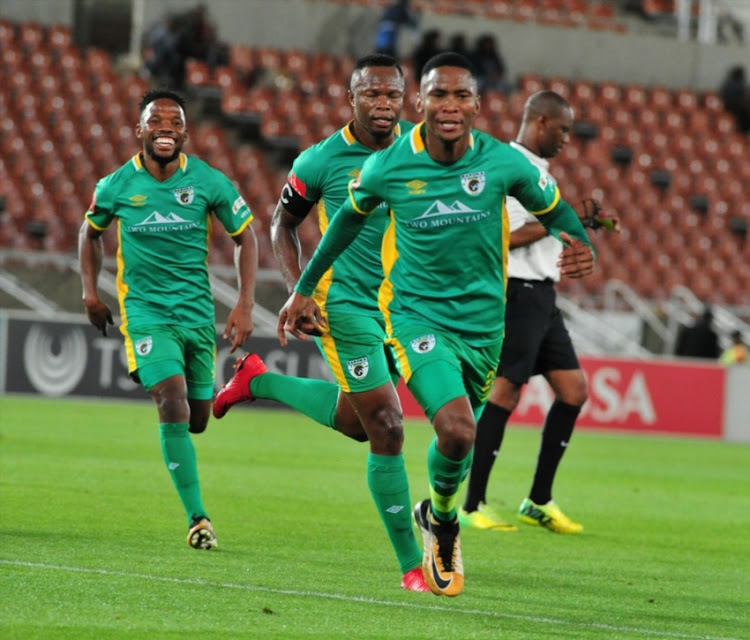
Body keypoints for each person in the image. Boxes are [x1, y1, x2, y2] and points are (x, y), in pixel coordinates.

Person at [278, 53, 595, 597]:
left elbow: (556, 209)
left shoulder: (503, 164)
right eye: (438, 96)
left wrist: (578, 241)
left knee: (448, 442)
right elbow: (341, 226)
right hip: (412, 316)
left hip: (483, 327)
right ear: (422, 103)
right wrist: (303, 288)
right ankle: (434, 539)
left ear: (477, 104)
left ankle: (438, 511)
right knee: (442, 427)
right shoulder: (386, 165)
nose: (449, 106)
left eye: (460, 96)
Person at [212, 54, 429, 593]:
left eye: (393, 96)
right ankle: (413, 567)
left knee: (358, 422)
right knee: (388, 426)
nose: (384, 105)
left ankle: (256, 380)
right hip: (343, 305)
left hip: (403, 308)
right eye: (372, 95)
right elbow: (281, 224)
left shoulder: (422, 150)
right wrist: (297, 290)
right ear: (350, 98)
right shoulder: (321, 161)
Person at [78, 88, 258, 550]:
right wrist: (90, 294)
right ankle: (198, 518)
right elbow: (89, 233)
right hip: (145, 313)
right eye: (156, 122)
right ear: (139, 130)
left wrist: (243, 304)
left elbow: (247, 238)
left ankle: (235, 389)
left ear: (185, 132)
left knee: (197, 420)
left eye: (175, 123)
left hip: (197, 315)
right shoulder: (116, 185)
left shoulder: (208, 181)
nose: (166, 130)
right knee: (171, 400)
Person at [459, 90, 620, 535]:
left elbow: (547, 224)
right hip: (516, 293)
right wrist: (564, 217)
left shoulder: (540, 172)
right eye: (563, 129)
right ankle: (472, 504)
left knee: (573, 391)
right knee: (504, 394)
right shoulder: (510, 168)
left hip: (543, 297)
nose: (568, 138)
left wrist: (580, 220)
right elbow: (503, 236)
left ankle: (539, 500)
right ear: (541, 122)